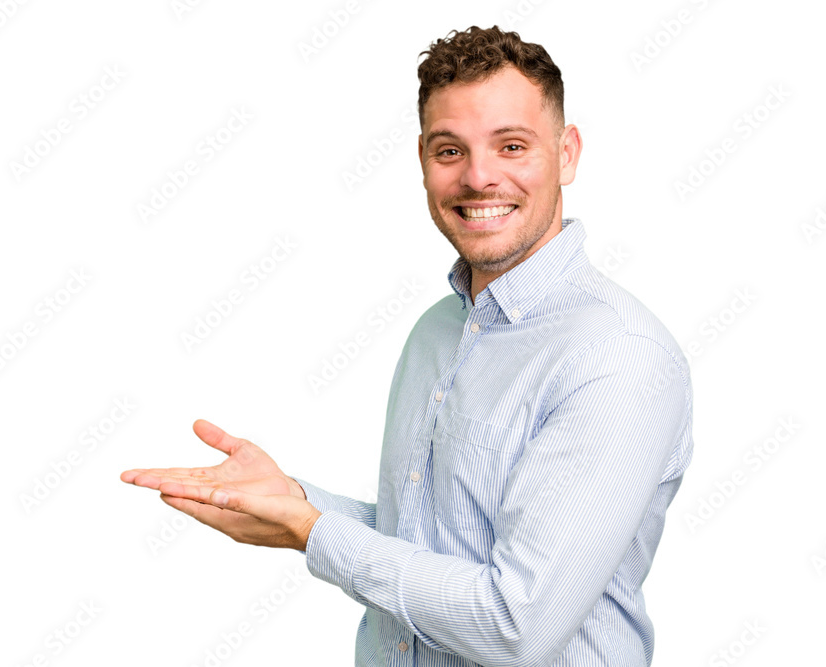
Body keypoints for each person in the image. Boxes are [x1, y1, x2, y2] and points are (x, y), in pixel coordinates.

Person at [121, 25, 694, 666]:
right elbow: (428, 543)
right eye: (450, 151)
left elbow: (516, 626)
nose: (479, 177)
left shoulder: (617, 358)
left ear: (566, 154)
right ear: (423, 159)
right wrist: (295, 504)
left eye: (511, 146)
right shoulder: (438, 331)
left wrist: (313, 532)